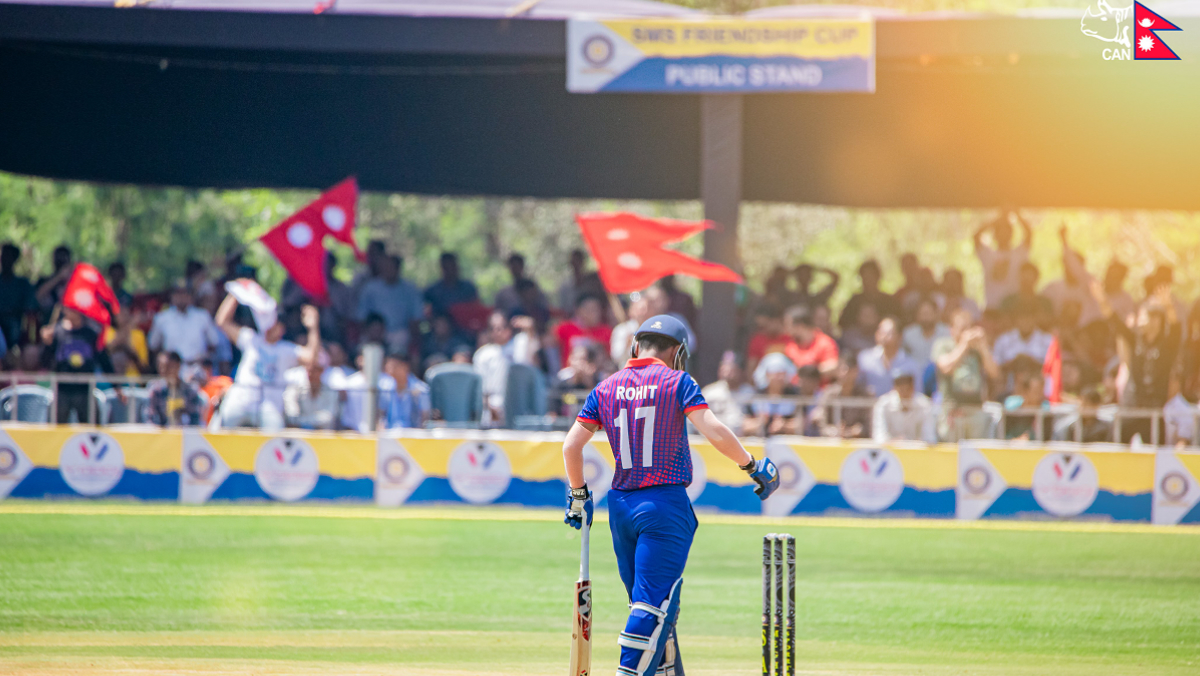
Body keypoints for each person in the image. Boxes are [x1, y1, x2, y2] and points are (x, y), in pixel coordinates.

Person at [561, 315, 779, 676]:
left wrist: (578, 494)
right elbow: (713, 430)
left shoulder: (606, 387)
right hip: (663, 505)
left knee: (649, 606)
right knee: (652, 607)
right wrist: (752, 465)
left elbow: (571, 446)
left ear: (635, 345)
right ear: (677, 352)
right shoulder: (677, 382)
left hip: (621, 506)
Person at [214, 294, 321, 431]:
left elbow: (312, 359)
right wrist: (237, 294)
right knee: (222, 427)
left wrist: (313, 327)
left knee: (274, 434)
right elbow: (222, 322)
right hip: (241, 400)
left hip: (269, 406)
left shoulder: (286, 349)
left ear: (281, 328)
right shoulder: (251, 339)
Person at [1092, 281, 1180, 442]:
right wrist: (1102, 300)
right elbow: (1114, 321)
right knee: (1117, 446)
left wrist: (1168, 307)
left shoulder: (1167, 346)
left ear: (1158, 320)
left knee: (1154, 456)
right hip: (1131, 407)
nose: (1144, 321)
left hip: (1154, 410)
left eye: (1149, 316)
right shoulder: (1134, 340)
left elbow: (1176, 328)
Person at [933, 309, 1000, 441]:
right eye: (962, 328)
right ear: (951, 329)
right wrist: (963, 345)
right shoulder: (943, 345)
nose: (967, 333)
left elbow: (995, 373)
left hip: (975, 410)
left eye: (969, 328)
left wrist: (984, 347)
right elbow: (945, 367)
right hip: (951, 411)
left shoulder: (977, 349)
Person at [39, 307, 114, 423]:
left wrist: (117, 386)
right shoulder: (57, 332)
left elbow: (104, 360)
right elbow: (45, 361)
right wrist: (47, 344)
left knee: (92, 431)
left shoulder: (91, 334)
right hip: (62, 390)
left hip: (85, 390)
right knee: (56, 431)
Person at [147, 284, 221, 379]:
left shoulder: (202, 316)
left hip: (197, 369)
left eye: (185, 294)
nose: (181, 298)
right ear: (172, 296)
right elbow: (153, 346)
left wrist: (204, 362)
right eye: (178, 294)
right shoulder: (162, 318)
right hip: (172, 371)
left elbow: (214, 343)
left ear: (190, 296)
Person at [356, 254, 423, 354]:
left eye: (392, 267)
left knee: (399, 350)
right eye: (386, 267)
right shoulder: (370, 289)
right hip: (375, 333)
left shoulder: (410, 289)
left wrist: (415, 341)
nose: (389, 270)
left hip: (400, 334)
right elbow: (362, 317)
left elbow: (416, 318)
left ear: (398, 268)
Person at [974, 210, 1032, 310]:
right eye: (1000, 232)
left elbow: (1029, 233)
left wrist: (1016, 213)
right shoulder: (988, 254)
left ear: (1011, 234)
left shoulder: (1019, 253)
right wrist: (998, 219)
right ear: (995, 235)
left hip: (1013, 309)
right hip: (992, 309)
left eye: (1007, 232)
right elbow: (976, 236)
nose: (1003, 235)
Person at [856, 317, 921, 397]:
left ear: (900, 337)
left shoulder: (911, 365)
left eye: (889, 333)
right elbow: (856, 387)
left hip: (898, 409)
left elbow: (918, 394)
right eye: (882, 332)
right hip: (869, 407)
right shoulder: (864, 359)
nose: (884, 337)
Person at [992, 298, 1054, 380]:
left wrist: (1032, 363)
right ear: (1015, 318)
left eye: (1030, 317)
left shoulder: (1048, 341)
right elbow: (995, 370)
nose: (1026, 321)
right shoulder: (1003, 340)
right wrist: (1013, 364)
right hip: (1009, 389)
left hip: (1039, 389)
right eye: (1022, 317)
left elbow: (1053, 370)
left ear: (1036, 318)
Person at [872, 372, 935, 443]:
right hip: (890, 451)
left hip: (917, 451)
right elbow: (879, 437)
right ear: (894, 388)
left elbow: (929, 438)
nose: (904, 392)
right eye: (901, 387)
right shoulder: (883, 405)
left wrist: (914, 443)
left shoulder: (924, 405)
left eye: (908, 388)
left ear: (913, 387)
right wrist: (895, 442)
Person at [701, 351, 755, 435]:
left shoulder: (749, 392)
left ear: (740, 370)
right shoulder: (710, 392)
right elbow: (698, 419)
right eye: (725, 366)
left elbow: (758, 421)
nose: (727, 371)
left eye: (732, 367)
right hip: (713, 438)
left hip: (741, 439)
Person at [146, 351, 205, 427]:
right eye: (161, 367)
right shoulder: (155, 391)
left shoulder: (190, 391)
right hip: (161, 435)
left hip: (185, 435)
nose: (164, 371)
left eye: (168, 366)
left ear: (178, 366)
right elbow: (150, 418)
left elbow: (195, 420)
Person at [748, 352, 800, 437]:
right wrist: (760, 423)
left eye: (782, 373)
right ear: (766, 374)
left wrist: (784, 426)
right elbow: (744, 424)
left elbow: (801, 424)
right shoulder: (756, 395)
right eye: (775, 373)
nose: (778, 377)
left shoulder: (795, 395)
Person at [838, 259, 898, 331]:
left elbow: (898, 322)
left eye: (871, 276)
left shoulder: (889, 301)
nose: (868, 280)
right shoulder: (855, 301)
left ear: (878, 277)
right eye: (865, 277)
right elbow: (842, 323)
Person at [555, 295, 612, 369]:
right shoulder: (565, 328)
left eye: (597, 309)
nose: (595, 313)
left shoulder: (606, 331)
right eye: (590, 310)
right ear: (579, 311)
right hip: (571, 374)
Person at [784, 304, 838, 379]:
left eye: (788, 324)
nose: (786, 328)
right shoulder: (790, 344)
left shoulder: (825, 343)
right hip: (793, 389)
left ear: (800, 326)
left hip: (819, 389)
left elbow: (832, 366)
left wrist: (809, 372)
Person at [424, 252, 479, 326]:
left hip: (465, 330)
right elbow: (425, 313)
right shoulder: (432, 292)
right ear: (442, 268)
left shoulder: (468, 288)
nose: (450, 270)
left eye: (453, 266)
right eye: (447, 267)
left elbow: (476, 310)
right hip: (440, 332)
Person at [0, 243, 36, 351]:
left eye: (8, 256)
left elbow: (30, 308)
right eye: (3, 256)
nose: (5, 259)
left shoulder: (23, 284)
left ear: (15, 259)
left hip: (16, 323)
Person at [283, 361, 338, 430]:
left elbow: (329, 417)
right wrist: (299, 423)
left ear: (321, 371)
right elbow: (291, 412)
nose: (311, 374)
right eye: (308, 371)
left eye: (315, 371)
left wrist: (304, 422)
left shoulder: (330, 391)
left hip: (323, 434)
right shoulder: (296, 388)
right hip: (299, 432)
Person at [381, 354, 431, 429]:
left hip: (413, 436)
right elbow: (380, 415)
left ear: (404, 366)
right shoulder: (385, 388)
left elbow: (425, 418)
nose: (388, 367)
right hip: (389, 434)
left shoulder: (421, 390)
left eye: (393, 365)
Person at [745, 303, 792, 376]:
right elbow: (751, 370)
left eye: (765, 325)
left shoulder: (790, 339)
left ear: (777, 320)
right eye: (760, 327)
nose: (763, 330)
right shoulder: (757, 340)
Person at [902, 297, 950, 367]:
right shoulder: (908, 334)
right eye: (922, 314)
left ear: (936, 314)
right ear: (917, 315)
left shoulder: (946, 333)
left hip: (939, 375)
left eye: (928, 313)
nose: (925, 318)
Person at [34, 245, 74, 321]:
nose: (61, 262)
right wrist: (59, 277)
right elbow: (37, 296)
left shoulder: (74, 283)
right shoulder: (44, 281)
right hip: (48, 323)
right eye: (58, 259)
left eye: (64, 259)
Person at [611, 294, 652, 367]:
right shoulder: (622, 330)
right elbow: (616, 357)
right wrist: (626, 344)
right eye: (641, 310)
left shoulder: (654, 328)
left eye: (647, 308)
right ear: (632, 310)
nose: (644, 312)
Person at [557, 249, 588, 314]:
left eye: (578, 261)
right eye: (574, 262)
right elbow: (563, 309)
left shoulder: (591, 283)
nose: (576, 265)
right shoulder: (565, 287)